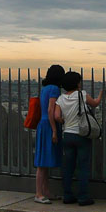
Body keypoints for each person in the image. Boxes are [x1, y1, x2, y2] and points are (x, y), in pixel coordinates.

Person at [54, 71, 103, 205]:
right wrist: (100, 95)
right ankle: (83, 197)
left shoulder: (60, 99)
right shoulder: (81, 94)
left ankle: (68, 195)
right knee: (83, 167)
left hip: (67, 135)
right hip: (81, 135)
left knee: (68, 167)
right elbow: (95, 103)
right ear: (77, 83)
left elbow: (56, 116)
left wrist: (65, 121)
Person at [34, 64, 65, 204]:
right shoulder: (54, 89)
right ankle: (39, 193)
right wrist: (54, 130)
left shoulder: (45, 88)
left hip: (43, 123)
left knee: (44, 161)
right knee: (42, 163)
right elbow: (51, 109)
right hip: (49, 125)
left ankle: (45, 191)